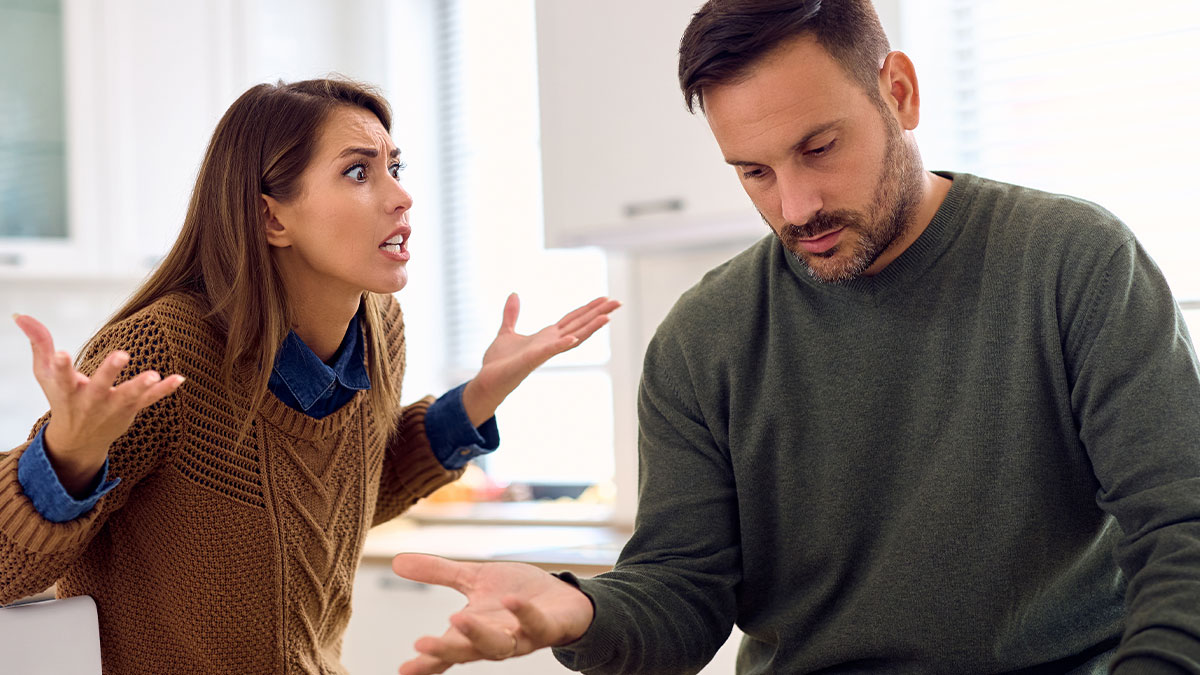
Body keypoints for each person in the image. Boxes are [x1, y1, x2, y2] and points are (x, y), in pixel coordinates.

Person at [388, 1, 1200, 673]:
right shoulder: (703, 340)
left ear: (901, 92)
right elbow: (683, 590)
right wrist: (580, 608)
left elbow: (1182, 529)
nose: (796, 205)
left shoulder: (1072, 261)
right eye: (755, 172)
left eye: (820, 148)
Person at [0, 77, 619, 674]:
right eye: (358, 172)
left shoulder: (379, 331)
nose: (401, 196)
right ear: (272, 219)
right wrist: (68, 455)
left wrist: (481, 396)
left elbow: (337, 502)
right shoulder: (160, 350)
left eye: (394, 168)